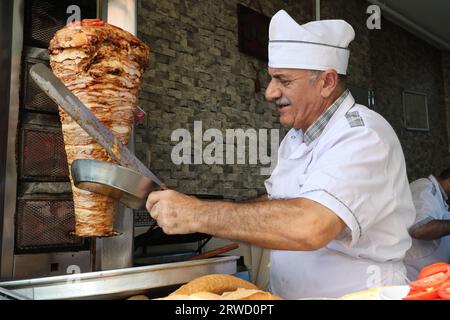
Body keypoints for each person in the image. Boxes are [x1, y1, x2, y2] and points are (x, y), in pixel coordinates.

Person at [146, 10, 416, 299]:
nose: (270, 92)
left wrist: (197, 214)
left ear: (326, 82)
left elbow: (311, 225)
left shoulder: (363, 135)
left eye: (283, 80)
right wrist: (199, 205)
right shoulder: (295, 139)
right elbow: (280, 203)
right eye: (272, 79)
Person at [404, 169, 450, 280]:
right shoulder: (425, 188)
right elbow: (420, 229)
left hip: (429, 283)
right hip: (409, 280)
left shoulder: (441, 200)